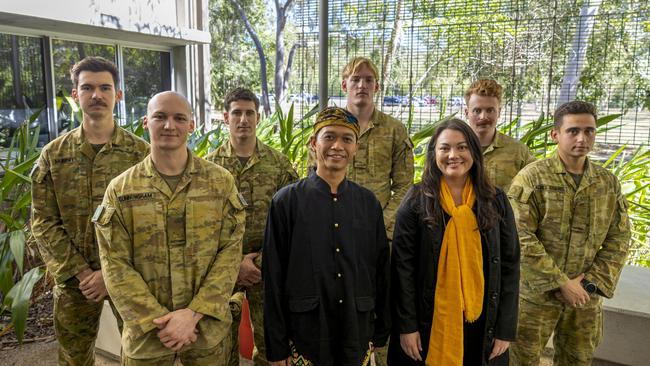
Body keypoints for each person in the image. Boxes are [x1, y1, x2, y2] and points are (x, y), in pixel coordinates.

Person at [94, 91, 245, 365]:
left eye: (179, 118)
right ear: (145, 122)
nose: (169, 125)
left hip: (206, 331)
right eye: (160, 117)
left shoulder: (220, 183)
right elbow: (114, 264)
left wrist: (193, 315)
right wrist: (163, 323)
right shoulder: (121, 189)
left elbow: (230, 254)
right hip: (148, 337)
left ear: (191, 125)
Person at [31, 56, 149, 365]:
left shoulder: (141, 154)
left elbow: (153, 220)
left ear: (117, 95)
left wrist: (109, 274)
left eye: (105, 87)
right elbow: (43, 221)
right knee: (74, 358)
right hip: (75, 281)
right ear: (75, 95)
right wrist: (84, 273)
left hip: (132, 276)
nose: (96, 95)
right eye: (87, 87)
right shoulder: (54, 155)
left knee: (142, 355)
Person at [263, 107, 391, 366]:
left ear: (356, 147)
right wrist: (277, 346)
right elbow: (273, 277)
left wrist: (381, 331)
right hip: (305, 332)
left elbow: (381, 271)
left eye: (347, 139)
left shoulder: (368, 203)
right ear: (314, 143)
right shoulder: (287, 202)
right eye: (329, 137)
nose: (337, 146)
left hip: (356, 329)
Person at [388, 118, 520, 366]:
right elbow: (402, 269)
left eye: (462, 147)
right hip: (429, 322)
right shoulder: (417, 200)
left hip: (482, 322)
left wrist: (504, 328)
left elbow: (510, 265)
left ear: (474, 152)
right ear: (433, 154)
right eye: (444, 148)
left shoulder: (495, 199)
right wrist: (406, 327)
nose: (453, 155)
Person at [509, 101, 631, 366]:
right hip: (535, 297)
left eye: (589, 131)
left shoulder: (607, 182)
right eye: (573, 131)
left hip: (585, 297)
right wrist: (561, 283)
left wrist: (587, 284)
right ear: (555, 134)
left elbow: (619, 238)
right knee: (521, 360)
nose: (582, 138)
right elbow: (519, 236)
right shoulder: (532, 178)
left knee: (577, 360)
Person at [205, 87, 298, 365]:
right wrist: (235, 263)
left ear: (259, 117)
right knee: (220, 344)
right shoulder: (207, 167)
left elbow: (292, 222)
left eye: (249, 113)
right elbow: (203, 227)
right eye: (237, 113)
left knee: (272, 345)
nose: (243, 119)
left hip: (266, 268)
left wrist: (257, 261)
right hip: (220, 267)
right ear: (225, 117)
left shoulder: (279, 165)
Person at [340, 57, 414, 241]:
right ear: (344, 86)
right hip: (335, 230)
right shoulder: (329, 129)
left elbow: (404, 185)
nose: (362, 85)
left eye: (368, 80)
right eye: (355, 79)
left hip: (379, 232)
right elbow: (314, 178)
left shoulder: (394, 130)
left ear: (376, 87)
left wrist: (382, 223)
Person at [463, 79, 535, 192]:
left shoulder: (518, 152)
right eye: (477, 111)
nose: (483, 117)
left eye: (490, 110)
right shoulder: (454, 150)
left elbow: (536, 186)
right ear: (467, 113)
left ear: (499, 112)